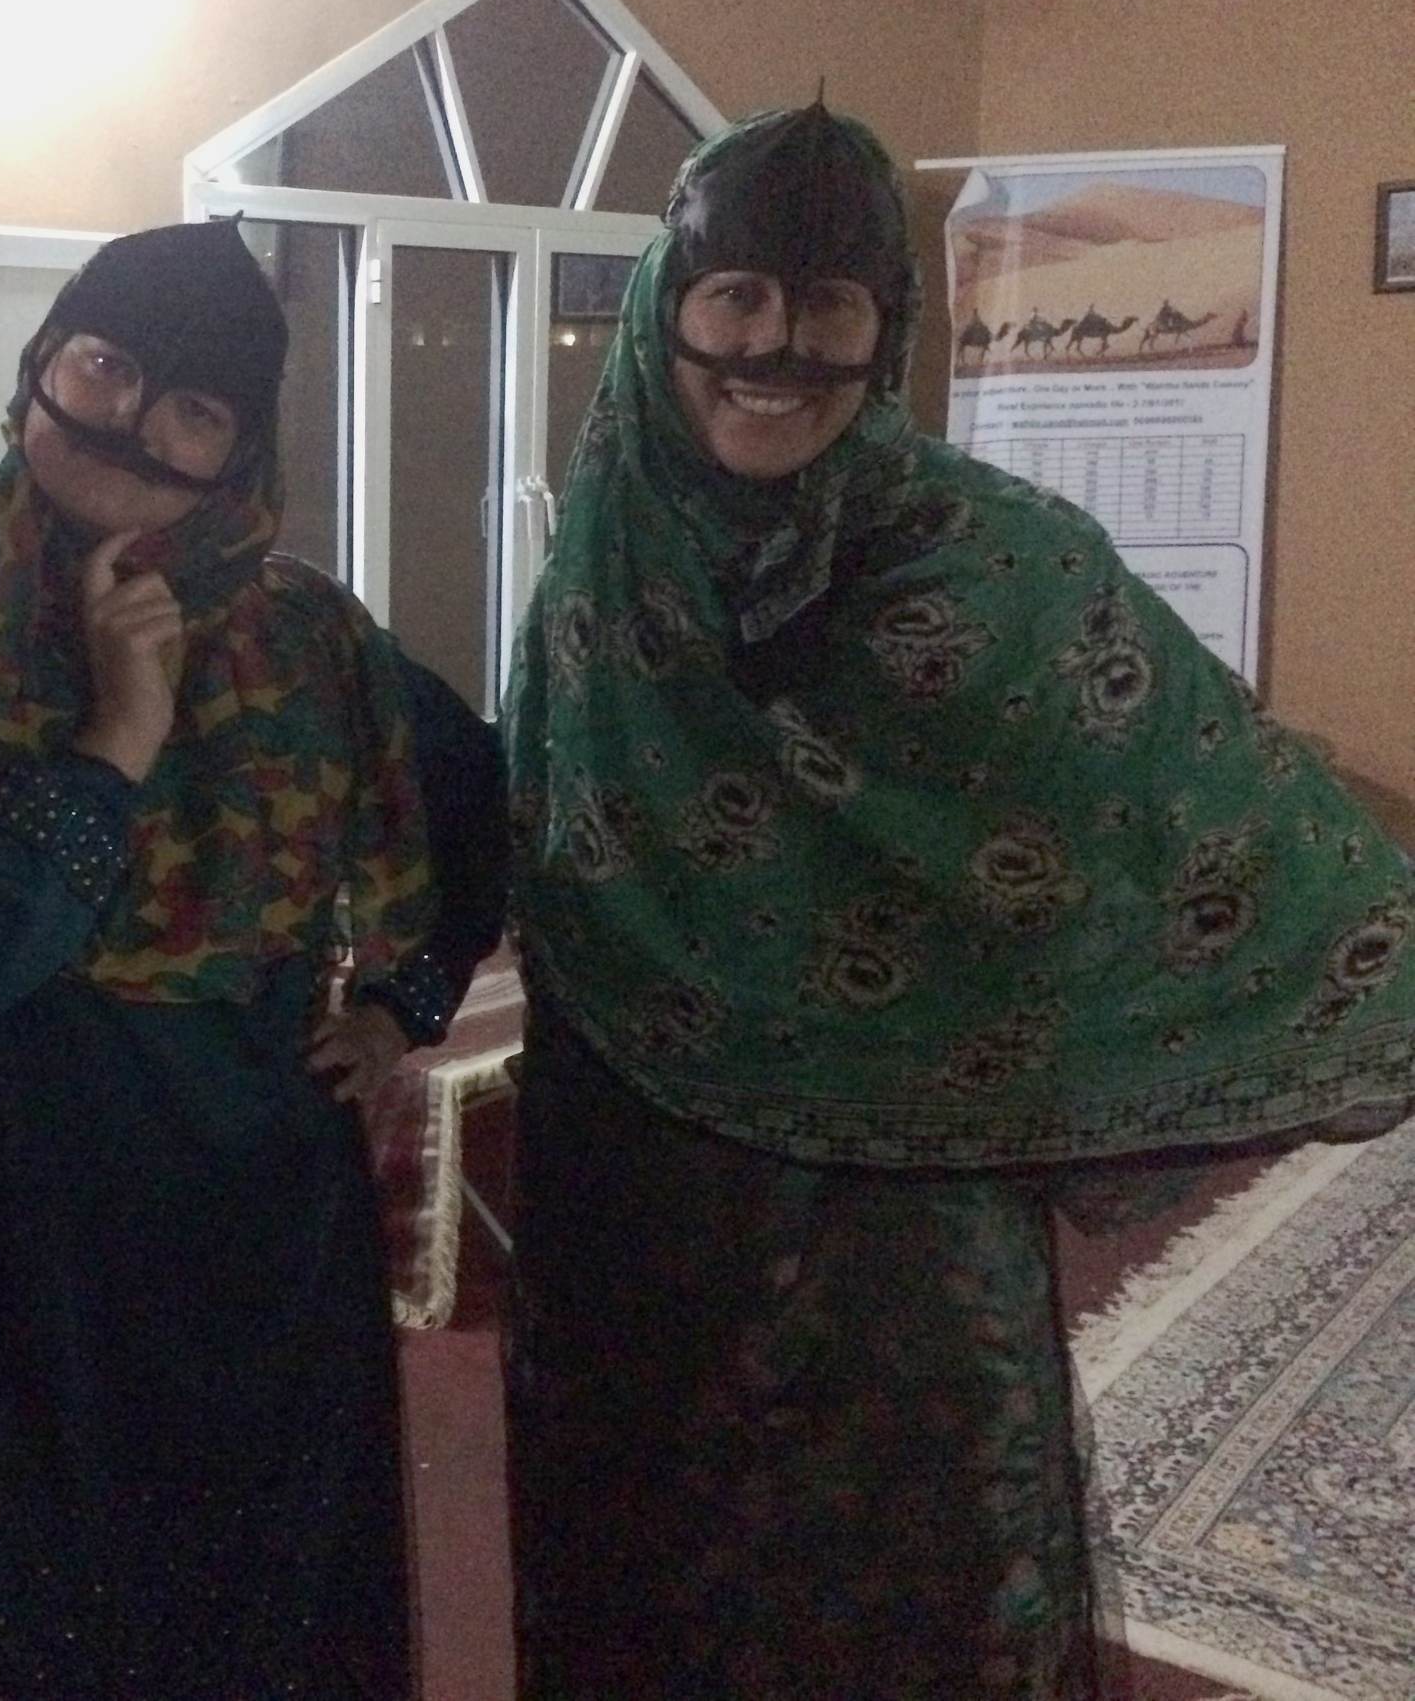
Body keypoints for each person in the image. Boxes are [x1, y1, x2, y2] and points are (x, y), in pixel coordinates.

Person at [501, 101, 1415, 1700]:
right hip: (635, 1200)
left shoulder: (1000, 567)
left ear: (887, 331)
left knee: (898, 1598)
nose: (774, 353)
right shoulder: (608, 552)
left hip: (899, 1229)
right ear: (666, 312)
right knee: (643, 1581)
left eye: (829, 307)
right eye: (734, 300)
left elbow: (1216, 817)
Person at [0, 219, 502, 1699]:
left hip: (252, 1242)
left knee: (257, 1630)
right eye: (104, 364)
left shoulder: (304, 635)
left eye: (192, 402)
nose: (125, 420)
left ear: (234, 451)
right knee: (12, 1635)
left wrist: (399, 1003)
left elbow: (483, 800)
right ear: (40, 363)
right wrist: (111, 747)